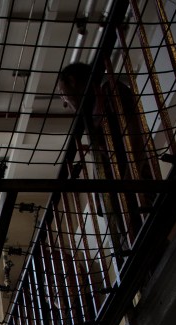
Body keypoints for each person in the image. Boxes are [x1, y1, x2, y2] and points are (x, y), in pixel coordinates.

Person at [59, 60, 157, 246]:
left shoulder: (110, 92)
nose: (66, 104)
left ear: (72, 81)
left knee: (148, 242)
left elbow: (136, 134)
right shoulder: (93, 113)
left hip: (133, 191)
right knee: (133, 245)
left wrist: (130, 179)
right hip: (121, 199)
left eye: (63, 95)